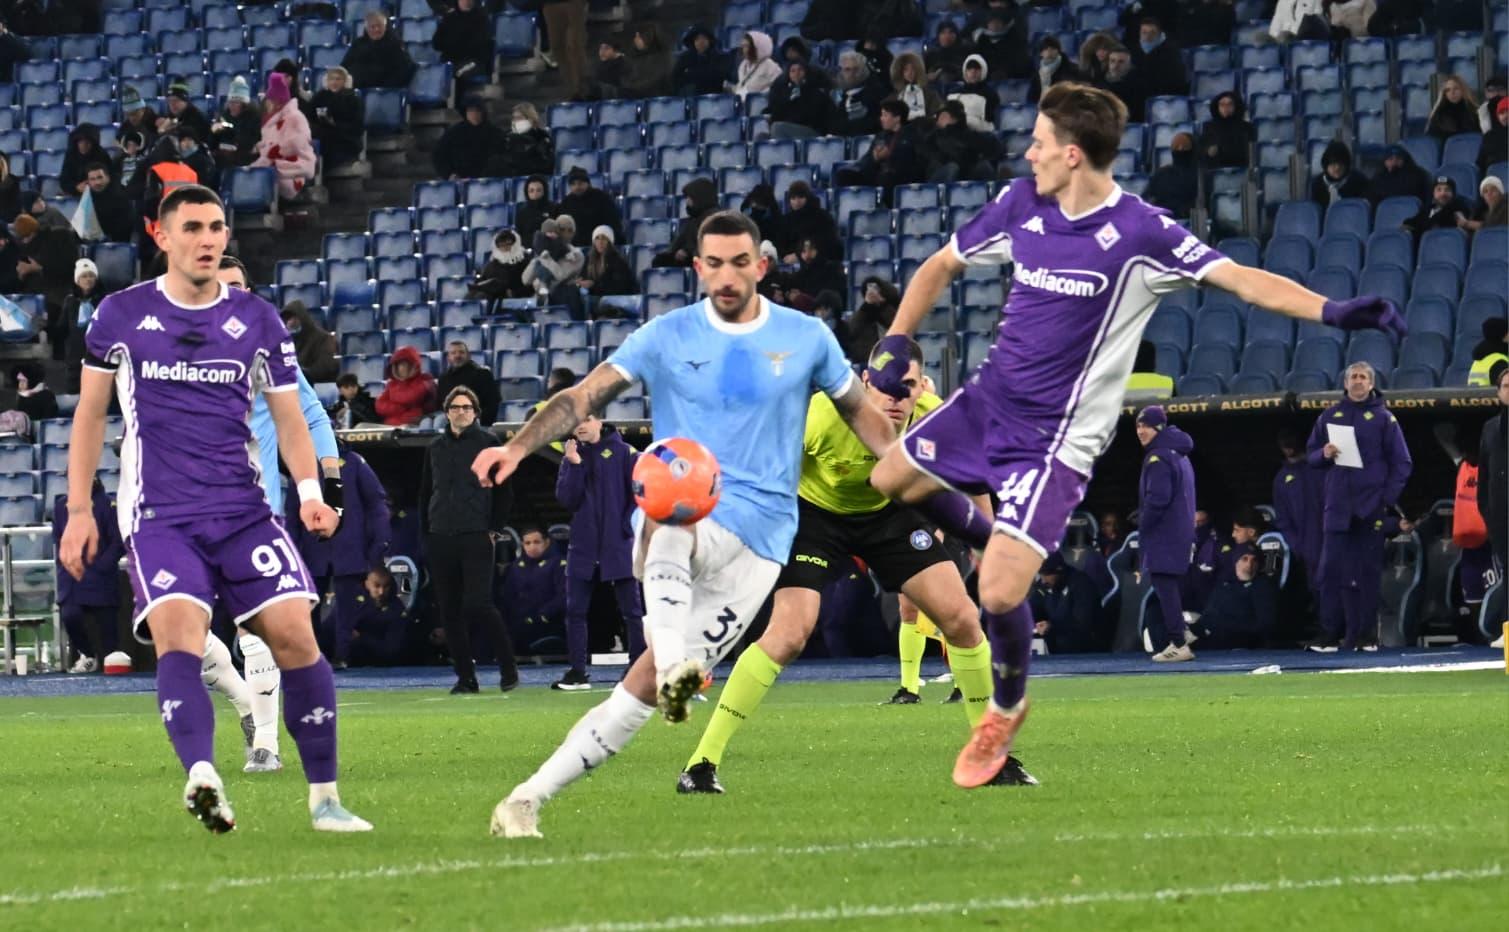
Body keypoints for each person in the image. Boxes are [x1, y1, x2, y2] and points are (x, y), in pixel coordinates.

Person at [866, 82, 1407, 788]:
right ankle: (996, 535)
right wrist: (899, 340)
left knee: (995, 595)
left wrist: (1332, 312)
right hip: (987, 401)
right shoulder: (1020, 203)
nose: (1025, 153)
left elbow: (1240, 280)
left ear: (1070, 154)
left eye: (1035, 142)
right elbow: (939, 264)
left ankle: (1004, 707)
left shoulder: (1141, 233)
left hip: (1054, 440)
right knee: (887, 480)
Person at [475, 210, 897, 838]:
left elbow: (861, 413)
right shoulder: (664, 335)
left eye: (739, 262)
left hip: (764, 541)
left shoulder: (807, 337)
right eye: (714, 264)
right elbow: (583, 396)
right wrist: (516, 446)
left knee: (639, 687)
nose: (727, 276)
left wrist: (902, 463)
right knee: (674, 516)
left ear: (761, 264)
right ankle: (676, 663)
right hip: (687, 503)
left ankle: (524, 799)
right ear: (697, 268)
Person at [59, 184, 369, 833]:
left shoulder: (258, 319)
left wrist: (312, 493)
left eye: (217, 227)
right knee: (181, 636)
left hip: (244, 513)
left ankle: (325, 799)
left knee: (294, 635)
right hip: (160, 515)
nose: (207, 238)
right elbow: (89, 414)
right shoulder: (119, 315)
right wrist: (81, 510)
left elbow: (291, 417)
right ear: (162, 236)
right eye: (193, 227)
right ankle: (202, 773)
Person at [678, 337, 1028, 794]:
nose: (896, 400)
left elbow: (975, 478)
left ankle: (991, 758)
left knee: (962, 618)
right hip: (813, 518)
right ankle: (701, 764)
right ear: (864, 383)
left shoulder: (935, 415)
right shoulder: (822, 415)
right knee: (789, 634)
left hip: (890, 513)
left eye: (907, 388)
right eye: (885, 389)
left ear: (922, 385)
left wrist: (988, 543)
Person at [1304, 362, 1413, 652]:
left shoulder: (1384, 419)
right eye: (1353, 377)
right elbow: (1311, 457)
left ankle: (1366, 635)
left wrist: (1386, 499)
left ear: (1372, 383)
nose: (1358, 382)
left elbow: (1402, 463)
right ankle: (1329, 634)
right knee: (1329, 571)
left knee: (1366, 573)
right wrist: (1323, 453)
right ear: (1345, 383)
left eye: (1363, 377)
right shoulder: (1329, 416)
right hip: (1337, 506)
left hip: (1370, 507)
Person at [419, 385, 520, 693]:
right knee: (449, 609)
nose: (460, 412)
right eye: (454, 407)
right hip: (440, 535)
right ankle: (465, 677)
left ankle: (508, 668)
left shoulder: (489, 443)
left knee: (479, 603)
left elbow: (505, 491)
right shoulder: (434, 447)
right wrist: (426, 531)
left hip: (476, 534)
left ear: (475, 412)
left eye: (466, 407)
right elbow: (426, 491)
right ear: (446, 412)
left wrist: (494, 529)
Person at [553, 414, 644, 690]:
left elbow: (639, 497)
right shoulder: (571, 455)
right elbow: (567, 499)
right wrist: (575, 465)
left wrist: (625, 531)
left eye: (586, 419)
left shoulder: (627, 453)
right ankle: (577, 672)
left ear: (599, 420)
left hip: (618, 544)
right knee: (575, 610)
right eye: (576, 420)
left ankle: (637, 669)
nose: (579, 425)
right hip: (583, 545)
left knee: (632, 610)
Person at [287, 446, 389, 667]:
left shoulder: (353, 462)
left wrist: (378, 543)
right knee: (307, 607)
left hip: (349, 547)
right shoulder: (304, 464)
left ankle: (342, 656)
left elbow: (376, 503)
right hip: (313, 549)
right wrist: (291, 548)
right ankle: (312, 658)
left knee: (347, 609)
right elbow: (293, 511)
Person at [1132, 406, 1197, 661]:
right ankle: (1181, 631)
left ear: (1158, 427)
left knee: (1164, 586)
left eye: (1145, 426)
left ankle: (1179, 643)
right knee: (1168, 586)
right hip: (1180, 530)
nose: (1140, 431)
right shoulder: (1179, 453)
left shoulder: (1158, 457)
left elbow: (1157, 500)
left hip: (1164, 532)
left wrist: (1143, 526)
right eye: (1137, 426)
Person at [54, 477, 123, 673]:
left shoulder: (109, 505)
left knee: (108, 627)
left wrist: (102, 566)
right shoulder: (61, 506)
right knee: (70, 615)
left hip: (102, 576)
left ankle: (113, 664)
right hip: (73, 576)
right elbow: (59, 540)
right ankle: (87, 655)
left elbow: (118, 542)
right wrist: (66, 565)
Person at [12, 212, 80, 357]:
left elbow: (71, 268)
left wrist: (40, 269)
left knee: (52, 308)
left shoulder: (61, 236)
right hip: (35, 291)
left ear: (34, 231)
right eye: (23, 239)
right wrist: (20, 275)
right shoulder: (24, 248)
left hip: (61, 288)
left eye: (28, 237)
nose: (26, 241)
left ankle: (58, 355)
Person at [1272, 428, 1325, 601]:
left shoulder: (1321, 469)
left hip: (1335, 541)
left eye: (1291, 442)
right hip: (1309, 549)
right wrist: (1298, 546)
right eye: (1284, 444)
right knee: (1319, 596)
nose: (1288, 447)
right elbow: (1283, 519)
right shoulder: (1281, 479)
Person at [500, 525, 568, 656]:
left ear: (546, 542)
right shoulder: (516, 567)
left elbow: (564, 596)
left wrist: (542, 616)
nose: (532, 547)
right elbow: (508, 597)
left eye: (537, 542)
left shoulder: (559, 563)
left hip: (548, 624)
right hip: (519, 624)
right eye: (528, 543)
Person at [833, 99, 924, 195]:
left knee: (887, 178)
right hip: (877, 174)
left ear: (897, 118)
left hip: (899, 177)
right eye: (881, 115)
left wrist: (890, 156)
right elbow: (866, 161)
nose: (881, 118)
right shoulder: (881, 136)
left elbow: (914, 163)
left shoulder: (911, 135)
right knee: (843, 175)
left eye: (885, 115)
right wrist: (875, 158)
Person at [1477, 364, 1508, 635]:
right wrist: (1486, 512)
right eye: (1507, 387)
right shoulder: (1490, 428)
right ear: (1498, 393)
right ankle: (1508, 629)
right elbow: (1483, 474)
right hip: (1500, 515)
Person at [249, 73, 316, 200]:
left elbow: (299, 141)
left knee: (265, 173)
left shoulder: (295, 117)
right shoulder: (271, 121)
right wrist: (260, 147)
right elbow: (269, 142)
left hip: (295, 165)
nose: (266, 105)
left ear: (277, 102)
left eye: (269, 101)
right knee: (249, 172)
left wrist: (278, 150)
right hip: (274, 162)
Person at [1189, 552, 1277, 648]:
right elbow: (1207, 617)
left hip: (1240, 643)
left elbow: (1264, 625)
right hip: (1212, 637)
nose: (1249, 564)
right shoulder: (1225, 583)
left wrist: (1223, 626)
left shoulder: (1262, 586)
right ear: (1235, 561)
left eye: (1254, 560)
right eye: (1244, 559)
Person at [1029, 552, 1102, 654]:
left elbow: (1083, 625)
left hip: (1083, 653)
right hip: (1054, 652)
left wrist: (1052, 626)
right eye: (1041, 574)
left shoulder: (1081, 584)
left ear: (1059, 570)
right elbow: (1033, 608)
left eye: (1047, 574)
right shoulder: (1044, 586)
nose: (1043, 580)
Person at [523, 216, 586, 317]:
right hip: (542, 299)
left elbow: (559, 277)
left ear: (574, 234)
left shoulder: (576, 255)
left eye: (570, 230)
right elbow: (526, 280)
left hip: (565, 300)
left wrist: (546, 258)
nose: (565, 233)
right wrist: (539, 257)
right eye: (562, 229)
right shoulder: (541, 250)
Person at [347, 566, 410, 667]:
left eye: (386, 587)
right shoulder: (352, 603)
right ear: (367, 584)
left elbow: (392, 650)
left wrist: (361, 638)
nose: (381, 592)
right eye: (377, 586)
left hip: (384, 668)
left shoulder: (397, 610)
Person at [652, 177, 718, 269]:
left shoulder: (715, 219)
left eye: (690, 198)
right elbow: (677, 244)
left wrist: (687, 252)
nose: (687, 202)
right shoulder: (693, 220)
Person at [434, 97, 505, 181]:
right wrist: (449, 174)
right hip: (459, 181)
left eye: (477, 111)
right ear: (465, 113)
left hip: (487, 182)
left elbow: (500, 158)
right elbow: (439, 155)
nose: (474, 114)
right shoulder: (454, 133)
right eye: (470, 111)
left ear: (483, 112)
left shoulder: (494, 133)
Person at [341, 10, 415, 89]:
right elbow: (344, 66)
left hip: (384, 92)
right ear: (366, 28)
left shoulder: (395, 44)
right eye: (372, 27)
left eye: (379, 26)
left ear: (385, 26)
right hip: (356, 90)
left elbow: (406, 69)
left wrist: (385, 88)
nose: (376, 29)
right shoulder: (358, 44)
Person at [308, 67, 364, 170]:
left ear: (345, 81)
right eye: (331, 79)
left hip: (345, 139)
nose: (334, 82)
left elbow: (357, 127)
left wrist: (336, 124)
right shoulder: (319, 97)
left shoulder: (353, 99)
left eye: (338, 79)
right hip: (323, 134)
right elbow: (310, 117)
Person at [62, 258, 103, 391]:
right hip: (75, 355)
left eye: (91, 276)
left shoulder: (104, 300)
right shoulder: (70, 301)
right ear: (77, 280)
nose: (88, 279)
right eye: (84, 276)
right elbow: (62, 328)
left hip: (97, 354)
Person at [437, 340, 501, 424]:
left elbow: (492, 404)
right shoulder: (443, 379)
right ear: (448, 357)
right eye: (453, 353)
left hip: (476, 420)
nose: (457, 355)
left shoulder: (483, 374)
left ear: (468, 356)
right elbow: (442, 405)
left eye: (461, 352)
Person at [768, 59, 834, 139]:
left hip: (811, 131)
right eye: (793, 71)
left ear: (806, 72)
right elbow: (777, 114)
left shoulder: (815, 92)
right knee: (761, 136)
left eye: (800, 70)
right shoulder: (785, 92)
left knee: (777, 127)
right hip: (788, 129)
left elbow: (810, 117)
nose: (796, 73)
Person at [775, 181, 839, 263]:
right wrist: (786, 257)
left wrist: (799, 256)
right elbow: (780, 244)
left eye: (800, 197)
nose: (797, 202)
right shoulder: (786, 220)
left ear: (808, 198)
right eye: (793, 198)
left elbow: (827, 243)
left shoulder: (822, 218)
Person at [375, 345, 438, 426]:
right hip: (390, 426)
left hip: (414, 426)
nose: (401, 368)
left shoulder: (425, 380)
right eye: (398, 365)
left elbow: (410, 397)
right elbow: (379, 405)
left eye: (404, 364)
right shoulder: (392, 384)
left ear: (413, 365)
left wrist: (393, 401)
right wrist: (400, 408)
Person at [559, 167, 622, 249]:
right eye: (573, 184)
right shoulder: (566, 202)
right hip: (574, 248)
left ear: (587, 183)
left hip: (599, 246)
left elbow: (613, 225)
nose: (577, 187)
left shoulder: (602, 198)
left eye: (580, 183)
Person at [831, 51, 890, 137]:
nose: (842, 74)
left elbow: (874, 123)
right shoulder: (844, 96)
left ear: (860, 71)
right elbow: (835, 126)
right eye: (843, 69)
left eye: (848, 69)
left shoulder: (876, 93)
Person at [431, 0, 493, 82]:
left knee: (456, 74)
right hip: (450, 61)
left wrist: (453, 44)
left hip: (474, 62)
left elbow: (480, 46)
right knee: (437, 75)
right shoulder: (449, 18)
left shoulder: (481, 18)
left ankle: (456, 94)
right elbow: (436, 44)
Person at [468, 228, 532, 307]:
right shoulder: (493, 264)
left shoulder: (524, 260)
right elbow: (483, 279)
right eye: (501, 245)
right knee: (476, 294)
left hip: (515, 296)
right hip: (494, 296)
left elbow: (530, 284)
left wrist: (514, 292)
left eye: (508, 244)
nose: (505, 248)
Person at [540, 0, 589, 99]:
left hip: (574, 3)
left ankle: (583, 89)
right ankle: (572, 89)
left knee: (574, 45)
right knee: (558, 46)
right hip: (550, 4)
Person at [210, 76, 261, 169]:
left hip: (246, 159)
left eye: (236, 102)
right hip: (225, 158)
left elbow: (251, 142)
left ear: (244, 104)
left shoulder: (254, 117)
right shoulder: (225, 115)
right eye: (230, 102)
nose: (232, 106)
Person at [1144, 131, 1198, 218]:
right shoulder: (1161, 174)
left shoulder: (1160, 174)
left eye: (1183, 147)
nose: (1180, 149)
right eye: (1178, 147)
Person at [577, 225, 637, 299]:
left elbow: (618, 288)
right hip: (592, 299)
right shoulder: (589, 260)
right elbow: (583, 278)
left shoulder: (618, 261)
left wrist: (593, 285)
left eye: (604, 238)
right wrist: (579, 283)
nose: (600, 242)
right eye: (597, 238)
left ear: (610, 241)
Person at [496, 103, 554, 178]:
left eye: (519, 118)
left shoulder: (542, 137)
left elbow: (546, 166)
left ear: (530, 119)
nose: (515, 121)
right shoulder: (507, 139)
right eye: (514, 118)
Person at [1403, 176, 1473, 238]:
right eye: (1439, 190)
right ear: (1433, 193)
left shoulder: (1458, 207)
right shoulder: (1428, 210)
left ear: (1453, 194)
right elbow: (1412, 222)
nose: (1443, 193)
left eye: (1447, 190)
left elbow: (1457, 218)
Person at [1198, 92, 1253, 169]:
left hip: (1241, 168)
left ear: (1236, 106)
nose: (1226, 108)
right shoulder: (1209, 127)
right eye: (1222, 105)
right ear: (1217, 107)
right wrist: (1208, 151)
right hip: (1216, 169)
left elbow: (1251, 154)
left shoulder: (1247, 127)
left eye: (1230, 104)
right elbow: (1202, 149)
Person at [83, 165, 134, 245]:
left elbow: (124, 228)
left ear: (108, 178)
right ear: (88, 182)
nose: (97, 182)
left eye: (100, 177)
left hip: (116, 243)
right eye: (92, 179)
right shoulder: (87, 198)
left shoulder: (121, 196)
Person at [951, 54, 1001, 133]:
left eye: (977, 68)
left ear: (983, 70)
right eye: (969, 68)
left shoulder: (990, 94)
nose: (973, 71)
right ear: (965, 71)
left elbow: (990, 119)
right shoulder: (954, 92)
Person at [1310, 141, 1370, 207]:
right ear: (1326, 165)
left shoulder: (1358, 181)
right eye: (1333, 163)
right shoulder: (1317, 184)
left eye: (1341, 163)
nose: (1337, 168)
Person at [672, 25, 725, 96]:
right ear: (693, 42)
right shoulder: (685, 58)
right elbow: (676, 79)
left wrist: (691, 73)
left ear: (709, 41)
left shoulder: (717, 57)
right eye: (697, 39)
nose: (701, 42)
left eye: (704, 38)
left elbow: (717, 79)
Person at [1028, 36, 1085, 103]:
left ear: (1058, 51)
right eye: (1045, 49)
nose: (1049, 51)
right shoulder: (1038, 74)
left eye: (1053, 48)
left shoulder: (1072, 69)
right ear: (1041, 53)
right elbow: (1031, 98)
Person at [1098, 45, 1146, 123]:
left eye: (1121, 62)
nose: (1115, 66)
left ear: (1129, 65)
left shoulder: (1138, 87)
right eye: (1112, 61)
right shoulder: (1100, 84)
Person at [60, 123, 112, 196]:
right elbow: (64, 181)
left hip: (99, 195)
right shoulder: (71, 155)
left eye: (87, 141)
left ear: (93, 142)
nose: (83, 145)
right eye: (80, 141)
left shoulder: (101, 155)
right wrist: (76, 187)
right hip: (75, 194)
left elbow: (109, 178)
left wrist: (92, 185)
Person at [729, 30, 780, 100]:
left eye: (747, 46)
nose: (744, 50)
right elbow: (742, 86)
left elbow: (779, 86)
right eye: (743, 46)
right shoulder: (743, 65)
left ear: (757, 47)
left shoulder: (769, 65)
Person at [624, 23, 671, 98]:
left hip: (656, 100)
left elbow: (654, 81)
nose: (635, 40)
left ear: (647, 37)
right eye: (635, 36)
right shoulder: (632, 57)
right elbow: (626, 78)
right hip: (634, 99)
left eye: (638, 36)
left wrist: (634, 87)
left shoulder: (661, 58)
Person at [891, 52, 942, 121]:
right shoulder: (895, 97)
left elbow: (937, 114)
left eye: (913, 69)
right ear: (900, 72)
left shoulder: (930, 94)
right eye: (906, 69)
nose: (910, 73)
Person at [1426, 75, 1480, 140]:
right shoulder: (1438, 114)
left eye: (1456, 88)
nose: (1452, 93)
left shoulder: (1474, 112)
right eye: (1448, 90)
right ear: (1444, 93)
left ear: (1463, 90)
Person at [160, 81, 212, 146]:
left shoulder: (196, 117)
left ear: (185, 102)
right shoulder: (174, 115)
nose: (172, 104)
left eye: (176, 100)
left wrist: (168, 129)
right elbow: (161, 131)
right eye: (169, 101)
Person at [926, 20, 972, 85]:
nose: (947, 36)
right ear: (938, 35)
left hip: (958, 83)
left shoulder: (965, 50)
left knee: (944, 77)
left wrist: (942, 71)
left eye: (951, 32)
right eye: (943, 33)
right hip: (934, 85)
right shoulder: (931, 52)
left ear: (956, 35)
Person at [514, 175, 557, 243]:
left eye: (539, 190)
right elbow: (519, 238)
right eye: (531, 191)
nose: (535, 193)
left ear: (544, 191)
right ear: (527, 192)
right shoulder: (522, 213)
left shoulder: (554, 208)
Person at [1478, 97, 1508, 176]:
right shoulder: (1489, 136)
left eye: (1508, 111)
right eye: (1501, 112)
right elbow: (1480, 163)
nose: (1505, 116)